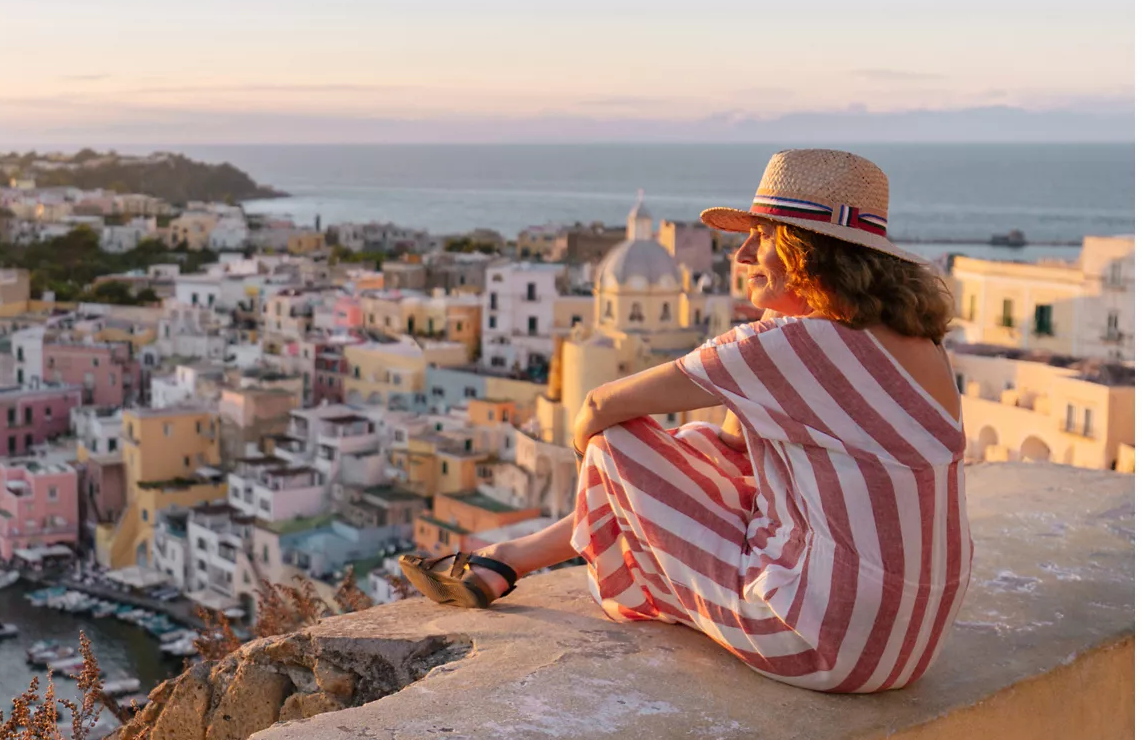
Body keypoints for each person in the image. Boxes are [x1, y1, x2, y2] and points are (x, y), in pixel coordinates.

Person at [399, 149, 971, 693]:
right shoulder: (923, 346)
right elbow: (730, 449)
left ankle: (510, 561)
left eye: (762, 238)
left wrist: (601, 474)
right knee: (699, 443)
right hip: (912, 644)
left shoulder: (792, 343)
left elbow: (599, 409)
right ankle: (513, 557)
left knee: (615, 440)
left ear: (811, 253)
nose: (740, 255)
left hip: (819, 642)